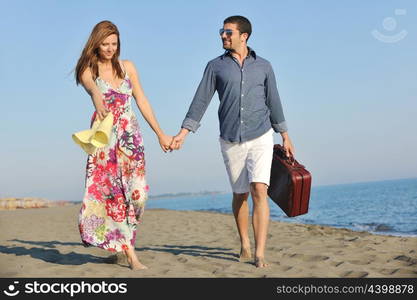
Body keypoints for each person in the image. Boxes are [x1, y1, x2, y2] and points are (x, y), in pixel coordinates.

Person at [170, 16, 295, 268]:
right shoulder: (215, 67)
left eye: (228, 32)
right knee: (241, 194)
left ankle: (260, 253)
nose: (223, 36)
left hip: (261, 135)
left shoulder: (264, 66)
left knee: (260, 189)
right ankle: (245, 244)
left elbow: (274, 101)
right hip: (230, 138)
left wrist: (284, 134)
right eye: (222, 32)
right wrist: (183, 133)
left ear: (243, 36)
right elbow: (200, 101)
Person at [75, 20, 172, 270]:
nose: (109, 48)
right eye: (105, 44)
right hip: (105, 143)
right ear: (96, 44)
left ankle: (120, 241)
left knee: (138, 195)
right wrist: (97, 96)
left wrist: (160, 133)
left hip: (131, 138)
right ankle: (131, 256)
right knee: (116, 197)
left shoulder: (127, 67)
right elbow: (91, 88)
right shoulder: (89, 68)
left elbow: (141, 99)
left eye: (114, 43)